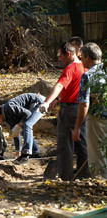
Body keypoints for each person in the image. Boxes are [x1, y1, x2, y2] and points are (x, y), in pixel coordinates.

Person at [39, 42, 89, 181]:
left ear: (68, 53)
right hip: (82, 109)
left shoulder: (70, 68)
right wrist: (56, 100)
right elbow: (71, 88)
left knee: (65, 145)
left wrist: (47, 102)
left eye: (60, 56)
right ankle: (84, 176)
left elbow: (60, 85)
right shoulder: (84, 67)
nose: (59, 59)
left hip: (69, 111)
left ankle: (65, 177)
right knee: (82, 143)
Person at [72, 43, 107, 179]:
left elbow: (84, 105)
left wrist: (77, 127)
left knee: (97, 156)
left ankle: (100, 184)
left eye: (82, 58)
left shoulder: (88, 76)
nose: (81, 61)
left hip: (97, 119)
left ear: (87, 57)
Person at [0, 93, 45, 165]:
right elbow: (15, 133)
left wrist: (19, 125)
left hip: (39, 102)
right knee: (24, 128)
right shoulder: (7, 118)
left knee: (27, 125)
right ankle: (35, 153)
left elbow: (27, 113)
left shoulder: (9, 108)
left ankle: (25, 155)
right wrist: (18, 151)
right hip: (31, 107)